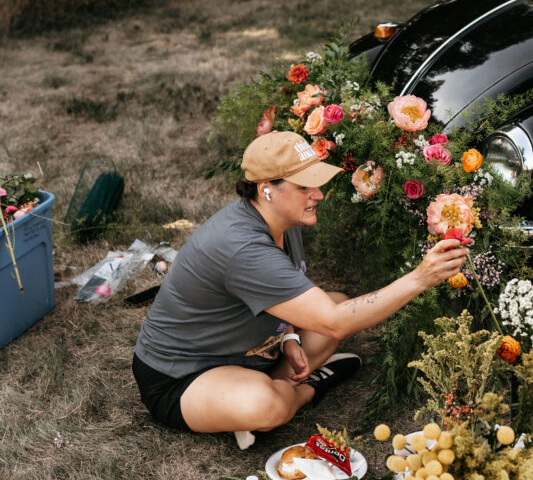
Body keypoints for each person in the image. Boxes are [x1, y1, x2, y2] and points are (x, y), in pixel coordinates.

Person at [132, 131, 468, 446]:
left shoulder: (282, 219)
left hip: (248, 354)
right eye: (305, 186)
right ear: (266, 188)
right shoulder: (243, 248)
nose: (318, 194)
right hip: (183, 376)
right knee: (266, 403)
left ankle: (267, 394)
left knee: (335, 306)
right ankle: (307, 389)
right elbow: (336, 320)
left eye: (316, 183)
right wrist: (421, 278)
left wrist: (290, 336)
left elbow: (292, 300)